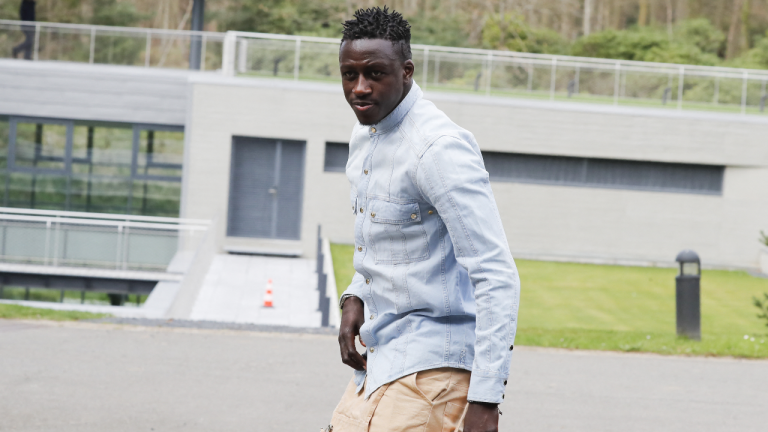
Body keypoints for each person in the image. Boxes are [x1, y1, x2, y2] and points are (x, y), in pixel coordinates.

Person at [327, 7, 521, 432]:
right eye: (348, 75)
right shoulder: (365, 136)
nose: (359, 88)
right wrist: (354, 296)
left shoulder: (438, 149)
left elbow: (496, 274)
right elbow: (385, 240)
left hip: (435, 366)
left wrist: (486, 400)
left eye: (374, 74)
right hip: (382, 357)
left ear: (407, 71)